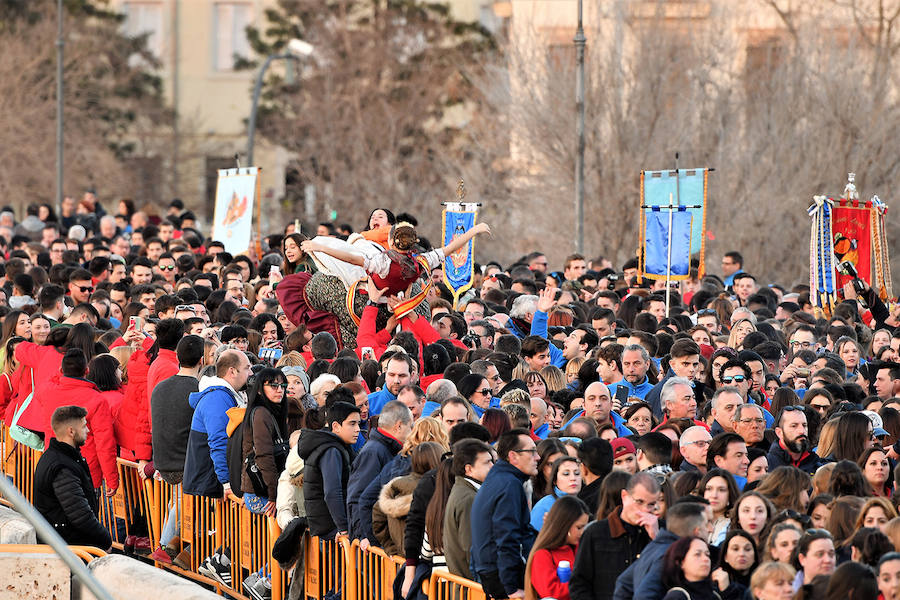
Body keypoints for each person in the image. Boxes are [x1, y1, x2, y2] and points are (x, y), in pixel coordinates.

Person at [148, 334, 203, 565]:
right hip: (185, 464)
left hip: (163, 460)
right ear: (202, 360)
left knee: (177, 503)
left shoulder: (161, 387)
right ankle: (165, 546)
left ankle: (176, 548)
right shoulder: (198, 389)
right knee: (186, 505)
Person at [471, 428, 539, 600]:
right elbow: (507, 536)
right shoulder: (509, 485)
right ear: (513, 456)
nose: (537, 457)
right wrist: (510, 588)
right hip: (502, 578)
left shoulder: (500, 477)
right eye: (531, 452)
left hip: (492, 572)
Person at [570, 472, 660, 600]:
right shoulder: (595, 533)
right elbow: (579, 583)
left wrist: (656, 539)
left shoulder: (661, 531)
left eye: (651, 504)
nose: (645, 510)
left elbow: (674, 576)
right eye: (639, 502)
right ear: (624, 496)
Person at [33, 405, 112, 549]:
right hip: (67, 549)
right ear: (71, 431)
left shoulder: (59, 457)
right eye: (84, 427)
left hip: (64, 543)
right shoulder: (62, 466)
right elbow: (80, 515)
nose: (88, 430)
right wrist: (105, 540)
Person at [614, 501, 713, 600]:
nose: (710, 529)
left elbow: (623, 583)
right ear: (696, 531)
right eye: (707, 523)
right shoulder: (668, 554)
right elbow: (644, 595)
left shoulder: (656, 547)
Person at [346, 399, 413, 542]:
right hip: (367, 550)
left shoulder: (383, 448)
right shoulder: (374, 452)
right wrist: (367, 537)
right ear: (399, 426)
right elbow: (358, 498)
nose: (412, 431)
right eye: (410, 426)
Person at [299, 401, 362, 539]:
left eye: (358, 423)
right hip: (330, 530)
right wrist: (344, 528)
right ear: (336, 426)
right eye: (352, 424)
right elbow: (332, 492)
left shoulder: (332, 445)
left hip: (327, 526)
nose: (357, 429)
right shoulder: (331, 450)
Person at [444, 439, 495, 579]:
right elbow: (471, 548)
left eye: (492, 461)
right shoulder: (469, 498)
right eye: (487, 463)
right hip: (471, 587)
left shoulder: (466, 491)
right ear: (469, 469)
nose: (493, 466)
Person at [524, 495, 590, 600]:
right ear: (564, 525)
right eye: (579, 527)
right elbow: (551, 593)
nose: (582, 532)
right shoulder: (542, 555)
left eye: (585, 527)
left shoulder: (580, 548)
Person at [660, 536, 740, 600]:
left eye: (707, 554)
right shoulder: (678, 596)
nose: (705, 559)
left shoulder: (715, 594)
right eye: (697, 554)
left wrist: (727, 591)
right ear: (681, 562)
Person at [531, 456, 583, 530]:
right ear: (555, 480)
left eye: (577, 473)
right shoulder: (544, 506)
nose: (573, 478)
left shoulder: (582, 503)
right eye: (566, 474)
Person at [767, 406, 822, 475]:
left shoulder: (816, 465)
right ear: (779, 432)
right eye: (794, 426)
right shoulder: (767, 466)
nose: (802, 431)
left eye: (804, 425)